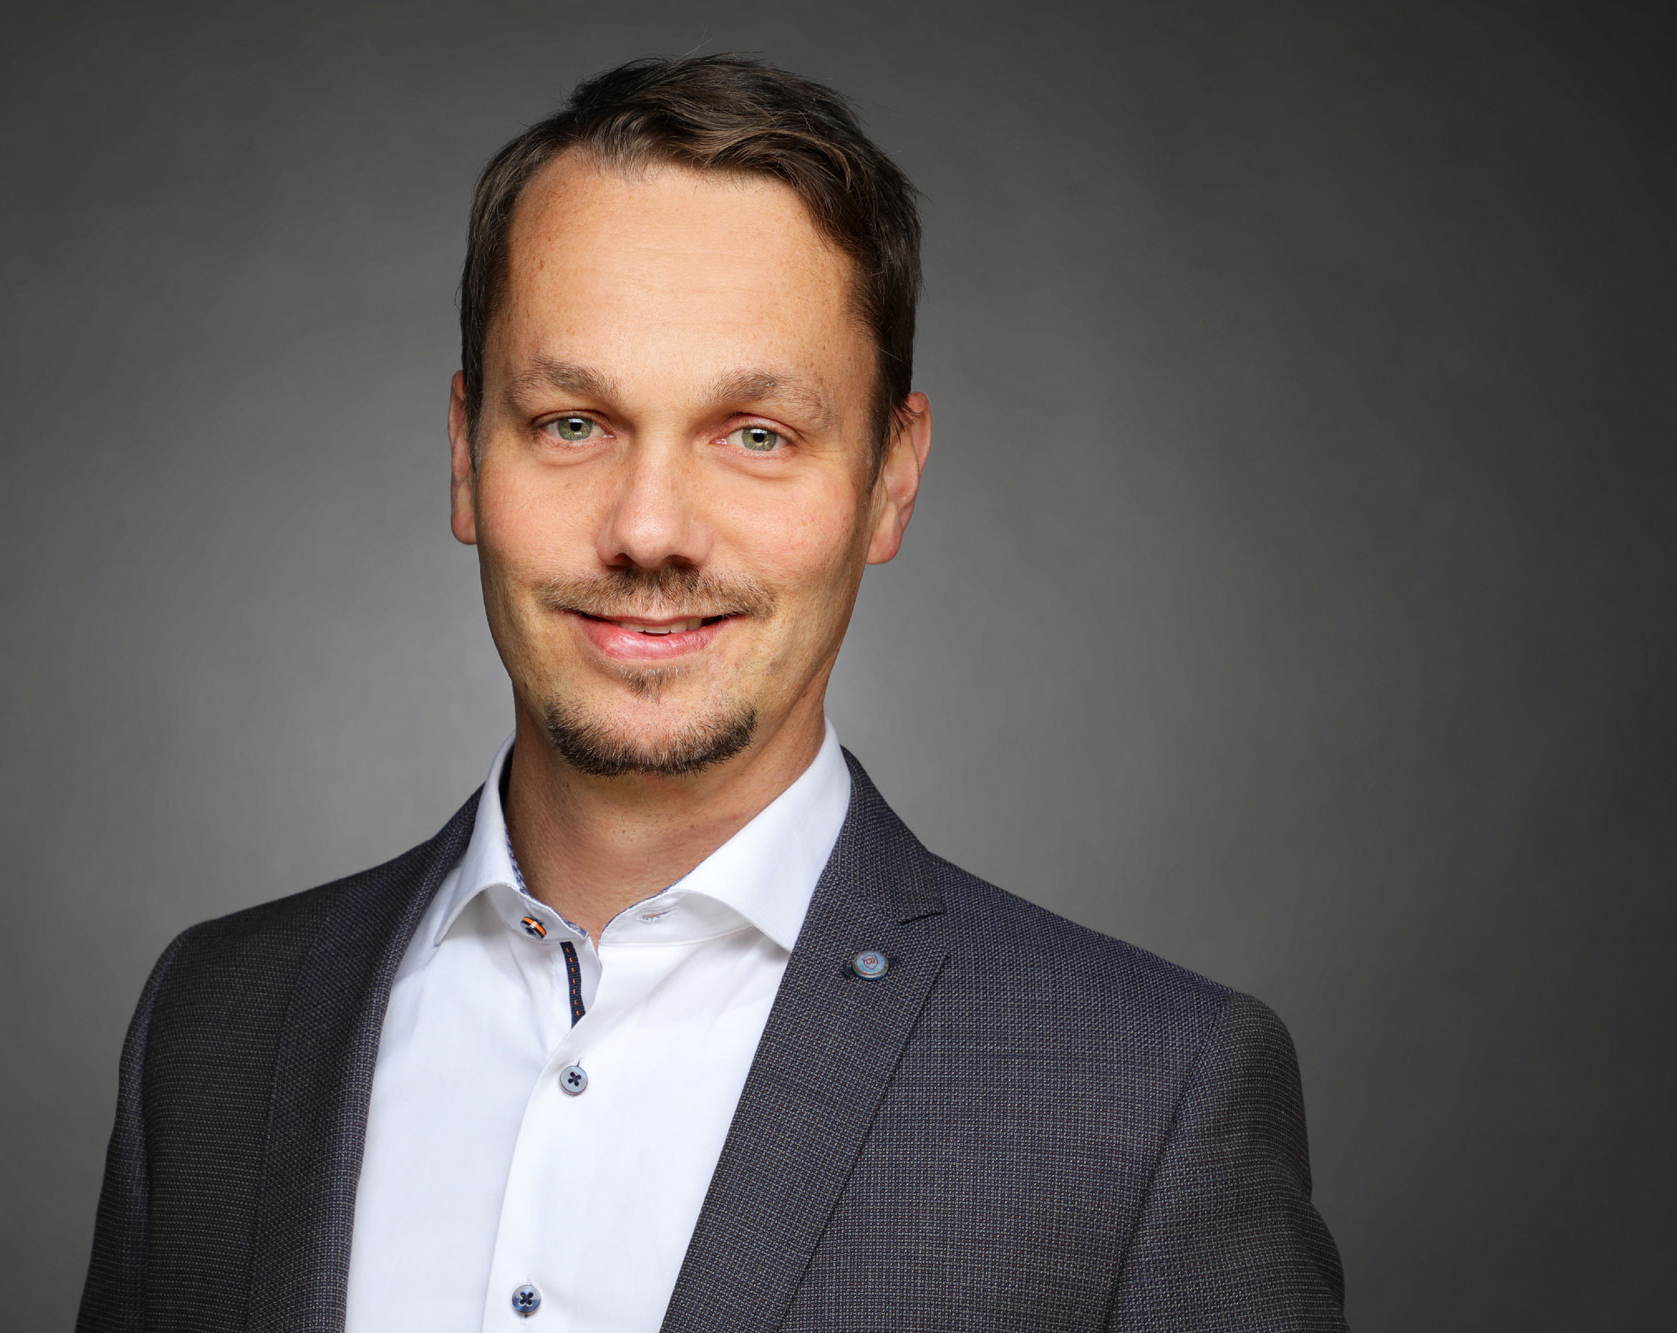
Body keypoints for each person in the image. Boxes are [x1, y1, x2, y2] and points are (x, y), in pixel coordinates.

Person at [75, 53, 1347, 1333]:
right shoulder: (216, 1023)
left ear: (890, 479)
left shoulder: (1145, 1098)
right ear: (465, 454)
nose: (648, 530)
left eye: (754, 434)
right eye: (572, 422)